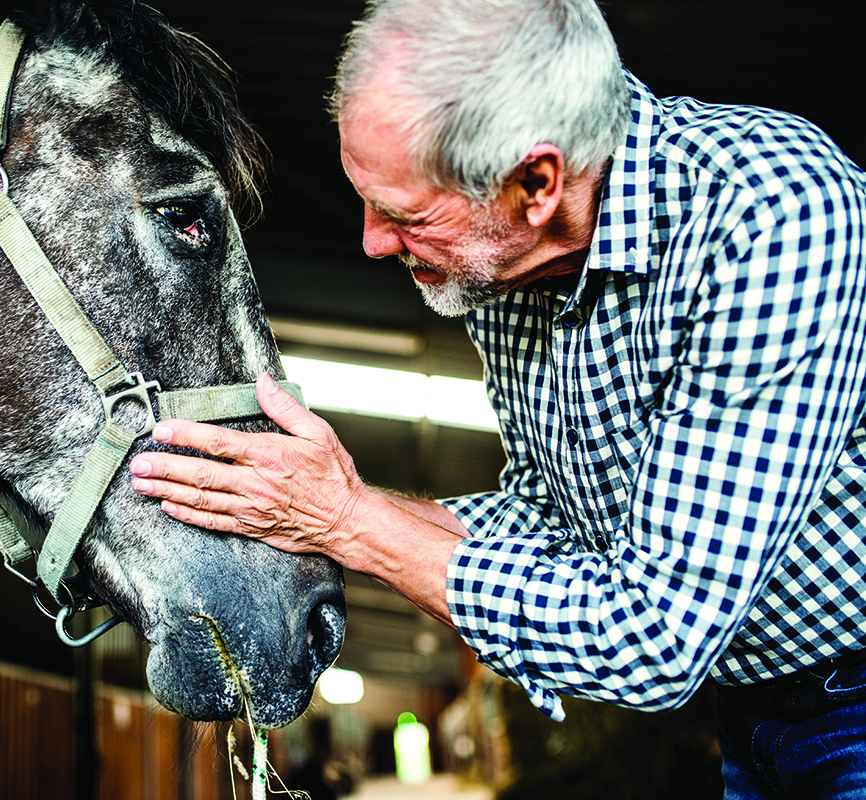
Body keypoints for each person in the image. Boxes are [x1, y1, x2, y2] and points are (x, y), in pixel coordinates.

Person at [128, 0, 866, 795]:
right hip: (755, 704)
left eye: (403, 213)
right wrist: (316, 508)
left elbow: (656, 632)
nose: (372, 240)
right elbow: (550, 518)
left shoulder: (771, 221)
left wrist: (347, 519)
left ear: (537, 182)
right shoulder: (508, 267)